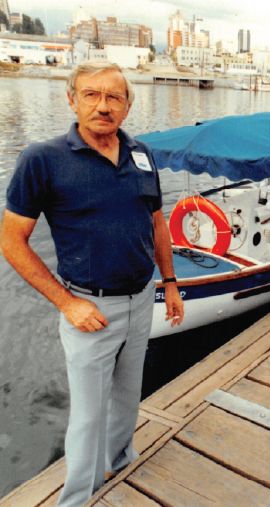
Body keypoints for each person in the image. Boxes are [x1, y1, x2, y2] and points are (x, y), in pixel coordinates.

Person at [0, 61, 184, 506]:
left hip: (141, 299)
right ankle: (77, 499)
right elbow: (11, 241)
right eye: (91, 95)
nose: (103, 106)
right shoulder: (42, 159)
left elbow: (156, 221)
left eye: (114, 97)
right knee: (86, 416)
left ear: (127, 105)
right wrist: (67, 304)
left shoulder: (141, 154)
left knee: (127, 397)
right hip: (88, 308)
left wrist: (171, 282)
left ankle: (120, 462)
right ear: (72, 99)